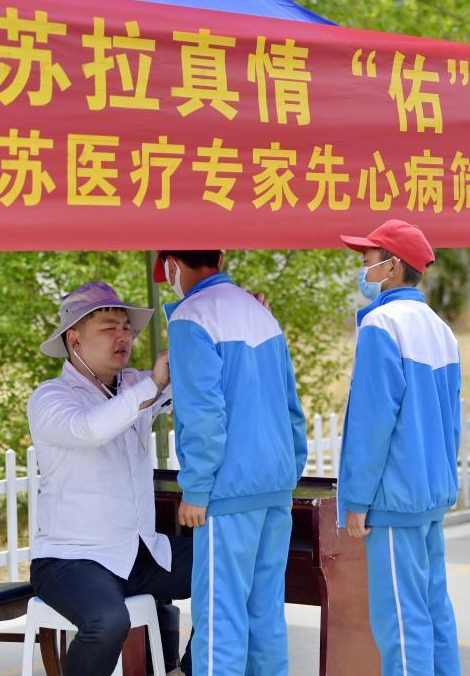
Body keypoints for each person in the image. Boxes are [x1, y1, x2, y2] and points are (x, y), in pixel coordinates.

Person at [28, 282, 192, 676]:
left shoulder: (134, 386)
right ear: (75, 340)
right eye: (108, 327)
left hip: (139, 551)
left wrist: (236, 317)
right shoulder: (50, 397)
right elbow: (90, 429)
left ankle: (189, 671)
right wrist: (152, 385)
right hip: (71, 559)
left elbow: (196, 383)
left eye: (126, 328)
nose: (124, 336)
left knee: (231, 568)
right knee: (107, 622)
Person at [156, 250, 307, 675]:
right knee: (266, 616)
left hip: (226, 492)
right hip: (274, 487)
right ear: (220, 256)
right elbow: (291, 406)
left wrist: (197, 489)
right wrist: (288, 471)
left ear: (172, 265)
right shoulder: (260, 313)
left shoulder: (191, 317)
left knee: (219, 619)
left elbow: (203, 413)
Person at [337, 219, 462, 676]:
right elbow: (452, 424)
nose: (363, 269)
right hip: (430, 496)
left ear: (392, 268)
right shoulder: (440, 329)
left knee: (400, 625)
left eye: (368, 261)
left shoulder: (381, 323)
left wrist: (356, 501)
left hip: (392, 498)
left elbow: (373, 424)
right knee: (433, 615)